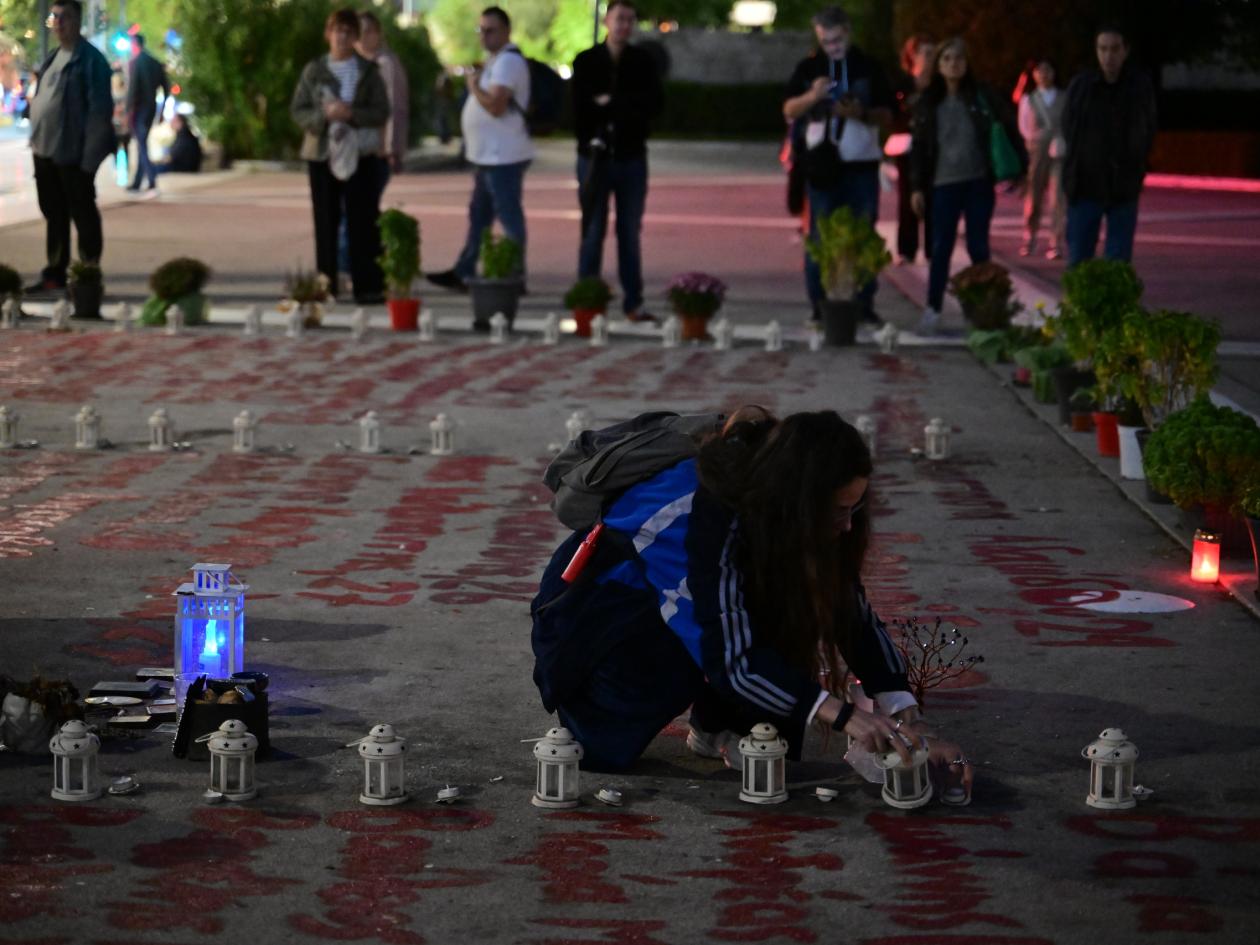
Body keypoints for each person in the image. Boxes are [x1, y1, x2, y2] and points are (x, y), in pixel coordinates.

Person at [530, 407, 974, 803]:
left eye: (855, 508)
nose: (847, 527)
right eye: (838, 511)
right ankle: (630, 708)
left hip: (688, 614)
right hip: (602, 627)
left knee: (783, 636)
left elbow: (848, 609)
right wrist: (846, 717)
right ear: (798, 501)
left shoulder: (787, 499)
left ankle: (716, 721)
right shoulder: (695, 515)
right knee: (604, 750)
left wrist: (903, 714)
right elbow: (730, 653)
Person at [783, 6, 893, 325]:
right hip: (822, 165)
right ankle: (819, 304)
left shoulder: (868, 67)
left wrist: (860, 112)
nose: (832, 47)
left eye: (836, 40)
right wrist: (813, 96)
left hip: (861, 163)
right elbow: (789, 108)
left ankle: (863, 303)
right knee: (819, 234)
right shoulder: (810, 66)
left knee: (863, 233)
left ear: (847, 31)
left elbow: (887, 113)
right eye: (825, 41)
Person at [909, 37, 1022, 335]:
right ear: (938, 65)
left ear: (967, 63)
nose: (953, 64)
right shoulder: (929, 102)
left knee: (978, 246)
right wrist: (917, 187)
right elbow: (919, 147)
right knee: (940, 247)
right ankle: (933, 309)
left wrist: (1019, 165)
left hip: (977, 182)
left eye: (959, 58)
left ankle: (985, 311)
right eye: (946, 59)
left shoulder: (981, 96)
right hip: (943, 184)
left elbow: (1008, 125)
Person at [427, 6, 533, 293]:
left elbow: (496, 106)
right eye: (481, 30)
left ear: (506, 31)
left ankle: (514, 275)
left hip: (503, 156)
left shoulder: (509, 62)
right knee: (480, 217)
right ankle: (464, 270)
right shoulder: (495, 61)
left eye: (490, 30)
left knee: (507, 215)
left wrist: (473, 86)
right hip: (488, 155)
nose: (484, 36)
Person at [571, 0, 663, 324]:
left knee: (629, 231)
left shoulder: (643, 62)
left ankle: (633, 302)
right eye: (619, 18)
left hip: (630, 158)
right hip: (594, 158)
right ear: (607, 20)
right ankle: (587, 300)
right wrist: (611, 108)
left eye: (630, 19)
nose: (624, 25)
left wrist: (614, 103)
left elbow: (650, 106)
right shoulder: (587, 61)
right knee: (592, 229)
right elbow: (580, 108)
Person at [290, 8, 390, 305]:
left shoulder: (368, 71)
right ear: (328, 34)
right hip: (322, 154)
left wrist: (352, 114)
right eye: (338, 30)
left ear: (356, 37)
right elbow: (299, 110)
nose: (342, 36)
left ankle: (367, 286)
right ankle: (326, 284)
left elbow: (381, 111)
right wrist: (324, 115)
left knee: (363, 219)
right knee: (325, 220)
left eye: (348, 31)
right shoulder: (314, 70)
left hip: (359, 152)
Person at [25, 0, 114, 296]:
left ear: (77, 21)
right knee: (55, 214)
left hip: (73, 154)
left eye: (65, 17)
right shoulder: (53, 57)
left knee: (82, 213)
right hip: (45, 151)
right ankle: (56, 272)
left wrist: (89, 160)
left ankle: (87, 276)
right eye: (55, 17)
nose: (58, 23)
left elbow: (100, 112)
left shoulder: (90, 61)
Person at [1062, 26, 1157, 266]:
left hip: (1123, 187)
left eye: (1114, 49)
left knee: (1118, 261)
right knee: (1079, 259)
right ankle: (1079, 305)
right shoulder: (1082, 86)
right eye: (1102, 49)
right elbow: (1068, 127)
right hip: (1085, 185)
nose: (1108, 56)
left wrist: (1136, 165)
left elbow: (1148, 129)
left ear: (1125, 51)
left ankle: (1115, 304)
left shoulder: (1139, 87)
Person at [890, 33, 934, 265]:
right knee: (907, 197)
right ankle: (907, 249)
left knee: (933, 196)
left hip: (931, 147)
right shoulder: (904, 85)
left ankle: (932, 248)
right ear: (913, 56)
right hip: (906, 146)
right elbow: (892, 113)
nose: (930, 59)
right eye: (925, 54)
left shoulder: (937, 87)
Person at [1018, 59, 1066, 259]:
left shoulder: (1064, 97)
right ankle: (1030, 237)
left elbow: (1069, 123)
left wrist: (1063, 140)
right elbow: (1023, 126)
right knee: (1033, 196)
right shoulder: (1028, 99)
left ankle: (1055, 242)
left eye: (1047, 70)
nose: (1044, 74)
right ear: (1034, 75)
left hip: (1059, 150)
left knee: (1058, 198)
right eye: (1039, 71)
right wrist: (1032, 142)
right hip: (1036, 150)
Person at [125, 33, 168, 195]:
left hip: (139, 108)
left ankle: (151, 179)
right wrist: (162, 110)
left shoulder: (136, 62)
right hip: (151, 108)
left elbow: (133, 87)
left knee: (141, 144)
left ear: (135, 44)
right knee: (142, 143)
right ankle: (138, 182)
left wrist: (128, 109)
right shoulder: (155, 62)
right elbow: (166, 87)